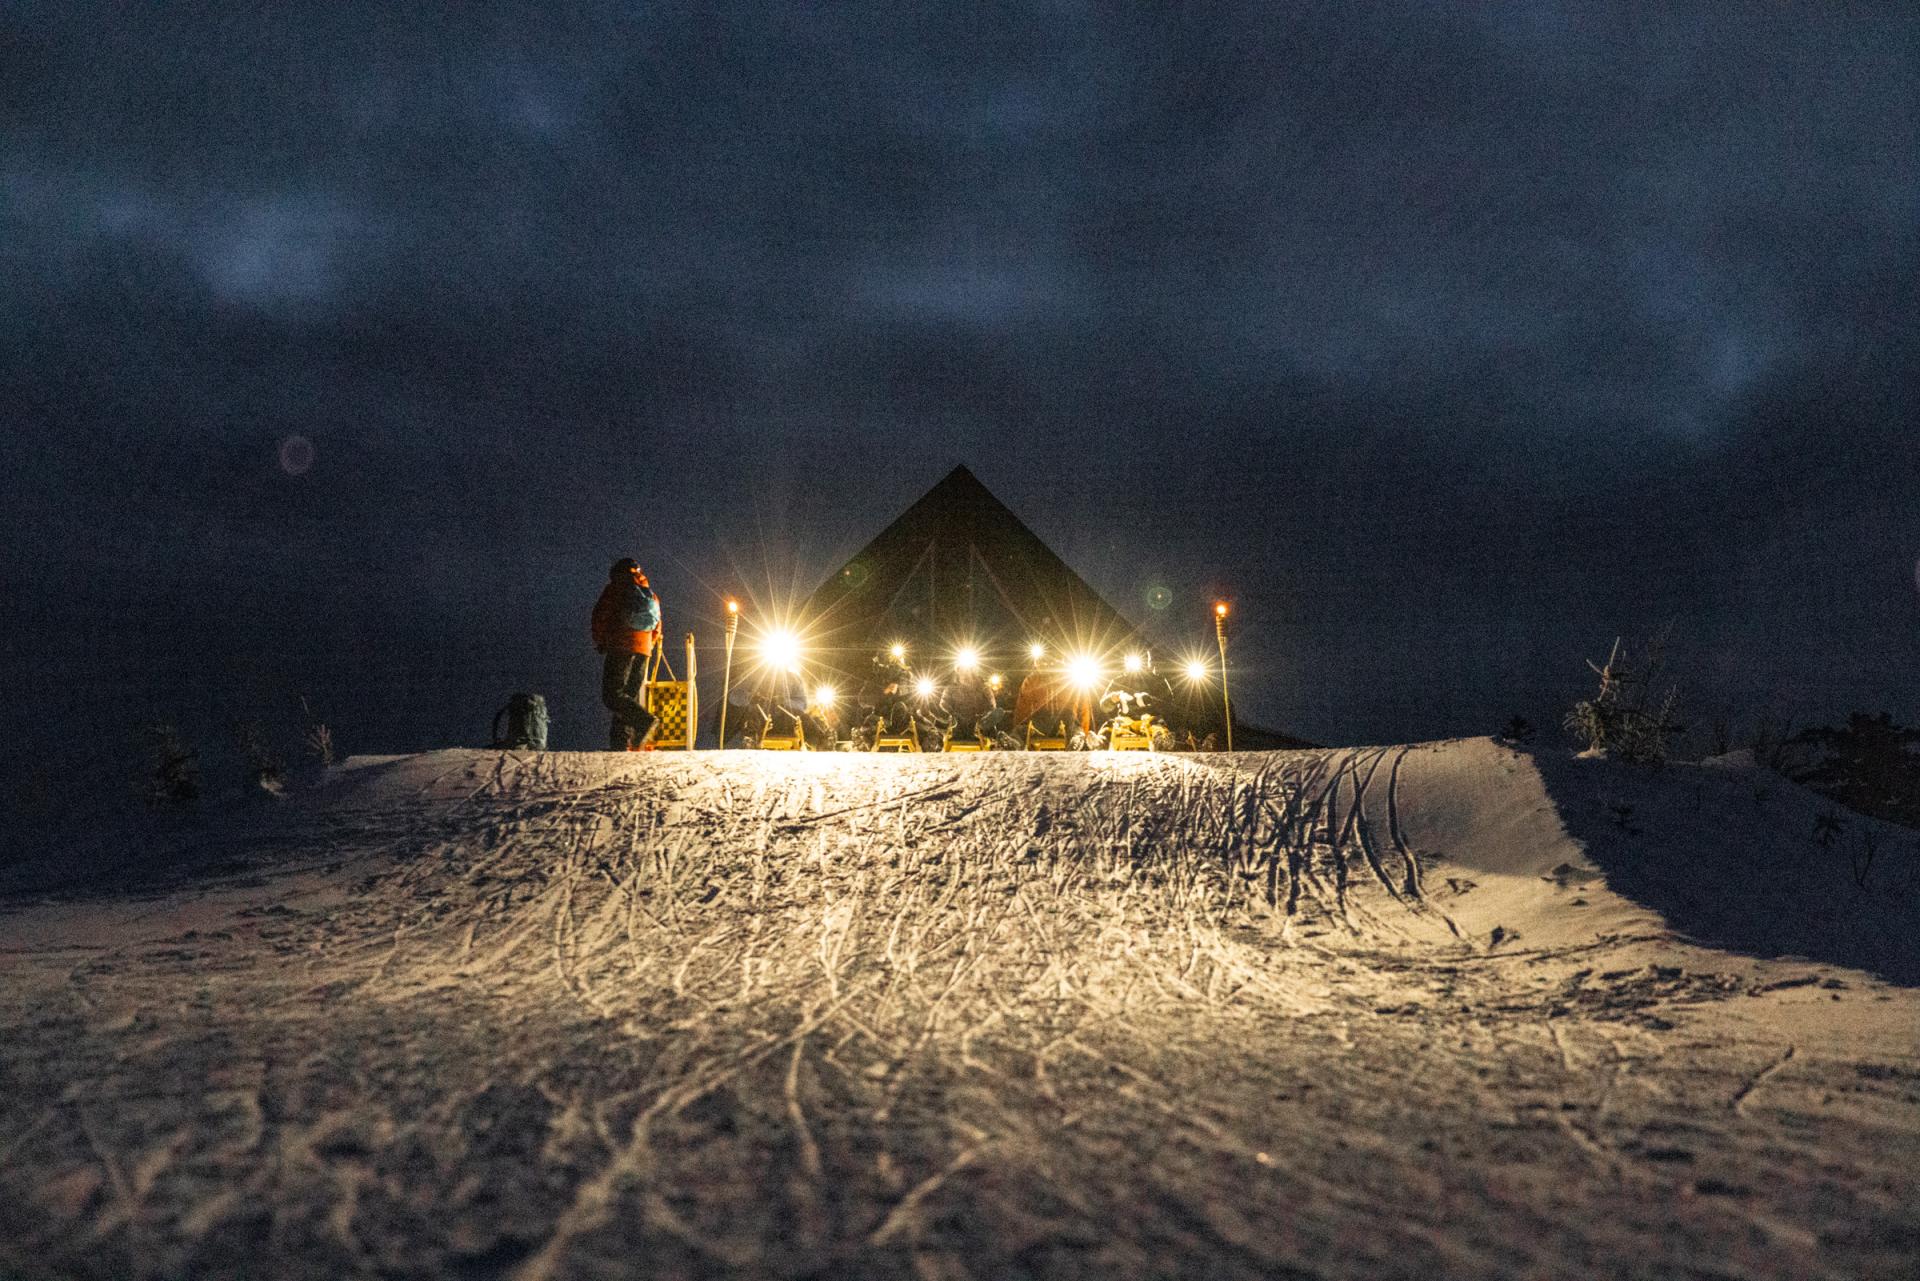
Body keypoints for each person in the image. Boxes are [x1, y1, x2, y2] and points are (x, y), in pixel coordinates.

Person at [590, 558, 662, 750]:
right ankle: (621, 743)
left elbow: (601, 615)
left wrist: (601, 641)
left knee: (612, 695)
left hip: (621, 644)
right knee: (628, 697)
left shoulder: (616, 588)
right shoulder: (650, 594)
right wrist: (648, 645)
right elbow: (657, 626)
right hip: (644, 648)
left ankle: (644, 721)